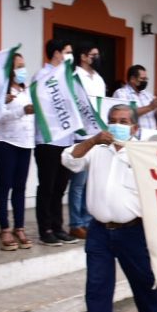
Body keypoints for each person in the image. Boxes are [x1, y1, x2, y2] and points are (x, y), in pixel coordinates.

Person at [62, 104, 157, 312]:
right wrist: (93, 140)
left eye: (124, 121)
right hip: (99, 231)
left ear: (134, 128)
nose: (119, 124)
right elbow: (69, 159)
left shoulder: (143, 155)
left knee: (142, 279)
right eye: (114, 120)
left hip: (133, 231)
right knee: (97, 286)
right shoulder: (97, 151)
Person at [33, 39, 79, 247]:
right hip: (48, 139)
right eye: (67, 52)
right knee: (47, 186)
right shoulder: (42, 76)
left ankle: (58, 227)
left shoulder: (69, 78)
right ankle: (45, 229)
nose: (70, 56)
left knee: (61, 186)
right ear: (56, 54)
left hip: (66, 139)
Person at [0, 53, 34, 251]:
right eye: (18, 66)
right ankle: (4, 228)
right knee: (4, 185)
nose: (22, 70)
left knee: (20, 187)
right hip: (5, 142)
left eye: (24, 65)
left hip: (25, 143)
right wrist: (21, 111)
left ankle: (19, 226)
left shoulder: (26, 91)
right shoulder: (1, 90)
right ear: (10, 70)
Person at [68, 44, 106, 241]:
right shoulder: (75, 77)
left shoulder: (98, 79)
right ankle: (76, 223)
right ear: (83, 57)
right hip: (81, 135)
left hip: (97, 135)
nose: (97, 58)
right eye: (93, 55)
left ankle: (87, 219)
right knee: (78, 183)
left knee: (91, 181)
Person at [113, 64, 157, 132]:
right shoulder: (121, 93)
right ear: (132, 79)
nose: (145, 81)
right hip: (135, 137)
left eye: (146, 79)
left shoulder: (148, 95)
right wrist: (150, 107)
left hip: (151, 136)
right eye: (142, 79)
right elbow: (127, 114)